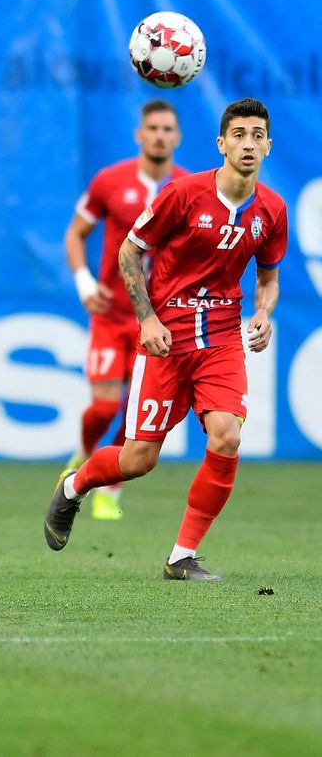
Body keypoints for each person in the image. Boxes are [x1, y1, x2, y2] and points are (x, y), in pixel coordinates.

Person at [45, 98, 287, 582]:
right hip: (167, 339)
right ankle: (74, 486)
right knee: (139, 460)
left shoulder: (272, 210)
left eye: (257, 135)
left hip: (220, 339)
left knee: (228, 435)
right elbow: (128, 252)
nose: (248, 143)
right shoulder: (183, 193)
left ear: (268, 146)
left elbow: (267, 276)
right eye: (238, 134)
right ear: (221, 144)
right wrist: (148, 319)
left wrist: (263, 312)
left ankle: (182, 557)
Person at [64, 100, 187, 520]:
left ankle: (109, 488)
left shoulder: (188, 188)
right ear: (139, 134)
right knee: (103, 406)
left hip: (159, 322)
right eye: (152, 127)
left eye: (167, 129)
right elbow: (76, 234)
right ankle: (82, 457)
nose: (159, 135)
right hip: (112, 313)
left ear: (178, 138)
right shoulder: (110, 181)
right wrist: (84, 281)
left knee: (136, 414)